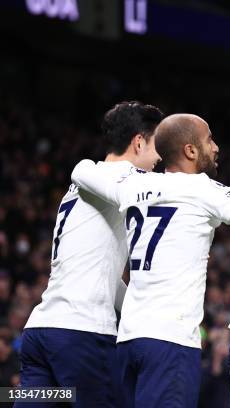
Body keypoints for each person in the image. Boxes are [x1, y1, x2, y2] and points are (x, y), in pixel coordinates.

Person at [70, 113, 230, 408]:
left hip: (129, 341)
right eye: (209, 139)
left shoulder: (134, 187)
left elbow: (81, 171)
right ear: (190, 150)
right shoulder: (201, 191)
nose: (216, 147)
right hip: (170, 342)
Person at [17, 101, 164, 407]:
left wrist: (145, 312)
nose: (159, 156)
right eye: (156, 145)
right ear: (139, 141)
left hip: (41, 333)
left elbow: (106, 280)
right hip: (81, 335)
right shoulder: (120, 179)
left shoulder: (87, 180)